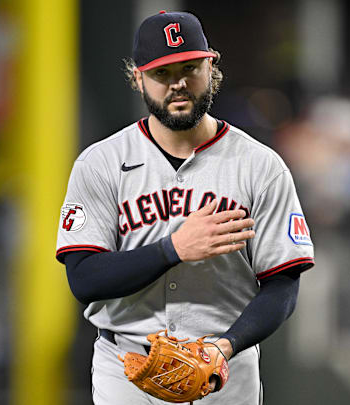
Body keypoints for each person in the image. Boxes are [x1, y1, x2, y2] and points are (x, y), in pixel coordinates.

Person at [56, 10, 315, 404]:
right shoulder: (101, 163)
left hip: (224, 369)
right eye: (162, 73)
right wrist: (172, 249)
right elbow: (85, 279)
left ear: (211, 67)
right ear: (137, 77)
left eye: (190, 68)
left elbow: (283, 283)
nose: (178, 84)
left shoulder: (260, 166)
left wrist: (226, 347)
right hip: (127, 367)